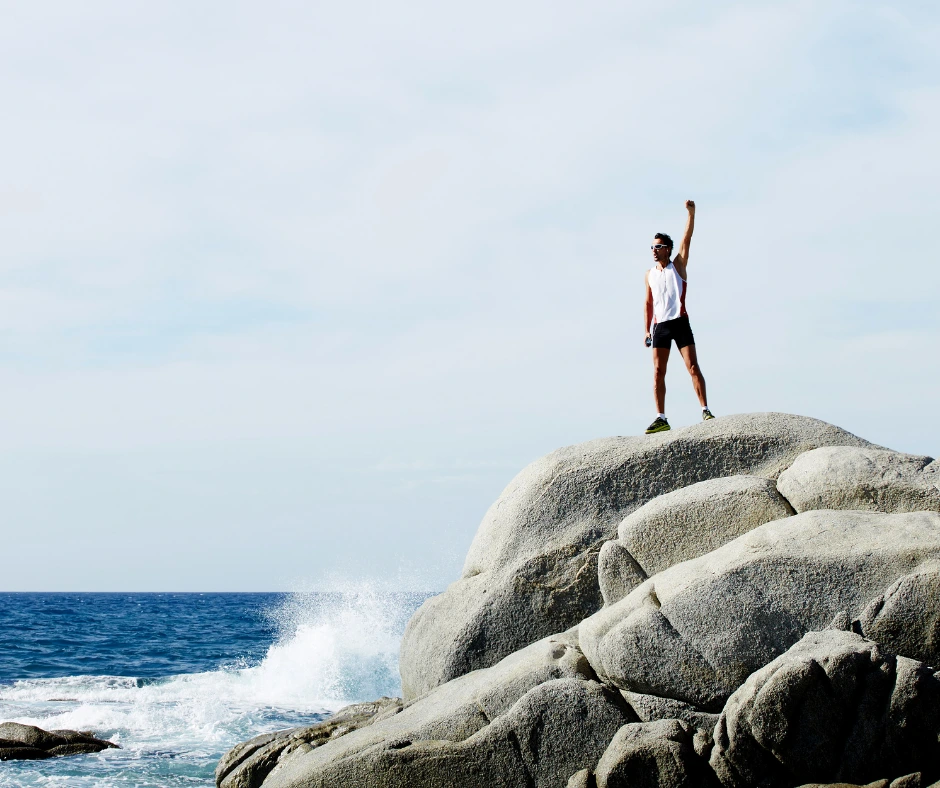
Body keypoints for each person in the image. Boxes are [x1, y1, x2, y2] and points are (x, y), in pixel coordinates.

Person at [643, 199, 714, 434]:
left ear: (667, 249)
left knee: (692, 366)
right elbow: (648, 303)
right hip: (660, 326)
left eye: (658, 247)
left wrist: (691, 215)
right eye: (652, 247)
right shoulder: (649, 275)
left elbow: (686, 239)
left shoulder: (678, 266)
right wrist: (646, 330)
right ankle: (661, 417)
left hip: (680, 322)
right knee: (657, 372)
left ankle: (705, 409)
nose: (654, 250)